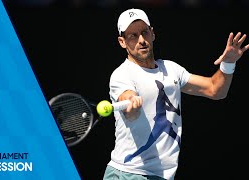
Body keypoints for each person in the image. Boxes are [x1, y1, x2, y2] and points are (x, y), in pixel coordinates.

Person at [103, 8, 249, 180]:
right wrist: (132, 105)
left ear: (152, 34)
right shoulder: (122, 75)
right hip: (128, 174)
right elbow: (128, 103)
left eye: (144, 32)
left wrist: (228, 63)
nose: (141, 40)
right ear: (122, 42)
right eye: (133, 36)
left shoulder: (171, 69)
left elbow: (215, 90)